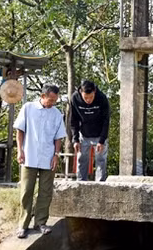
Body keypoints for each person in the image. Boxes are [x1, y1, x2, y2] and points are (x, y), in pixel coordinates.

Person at [14, 85, 67, 238]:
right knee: (26, 191)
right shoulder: (28, 108)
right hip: (29, 155)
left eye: (55, 100)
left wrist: (56, 155)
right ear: (42, 96)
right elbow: (20, 130)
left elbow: (58, 137)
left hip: (48, 157)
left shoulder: (56, 114)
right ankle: (23, 225)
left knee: (45, 191)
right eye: (51, 100)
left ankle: (40, 223)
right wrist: (20, 150)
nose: (52, 103)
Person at [69, 80, 111, 181]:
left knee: (101, 159)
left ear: (94, 92)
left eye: (91, 97)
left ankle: (100, 184)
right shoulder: (75, 98)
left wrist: (102, 140)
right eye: (85, 97)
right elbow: (73, 120)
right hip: (84, 133)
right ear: (81, 92)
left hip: (99, 133)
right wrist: (75, 139)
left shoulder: (102, 98)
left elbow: (106, 120)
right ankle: (81, 183)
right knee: (82, 158)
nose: (88, 100)